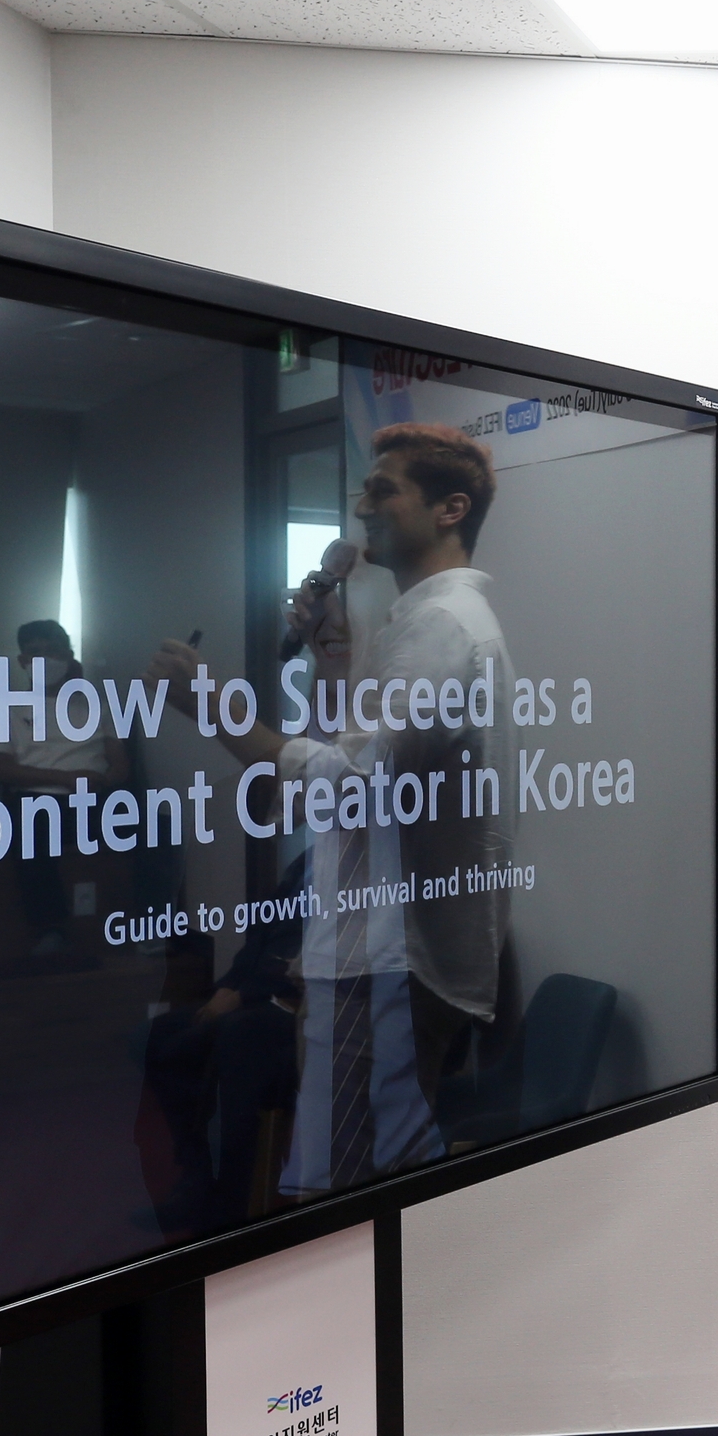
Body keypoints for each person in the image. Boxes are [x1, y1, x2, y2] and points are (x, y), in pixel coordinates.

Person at [152, 425, 515, 1185]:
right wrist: (331, 659)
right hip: (371, 954)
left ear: (450, 509)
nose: (361, 508)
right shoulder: (418, 621)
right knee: (351, 1179)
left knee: (341, 1191)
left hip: (387, 964)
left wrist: (210, 705)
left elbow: (348, 783)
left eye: (383, 490)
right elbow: (356, 761)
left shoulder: (441, 627)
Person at [0, 619, 127, 955]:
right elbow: (3, 769)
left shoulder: (99, 708)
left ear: (69, 656)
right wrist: (66, 780)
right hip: (37, 796)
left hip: (95, 797)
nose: (45, 659)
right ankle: (51, 929)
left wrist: (101, 781)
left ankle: (152, 919)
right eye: (35, 653)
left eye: (54, 651)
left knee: (159, 826)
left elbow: (120, 764)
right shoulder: (0, 709)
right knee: (32, 830)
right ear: (22, 661)